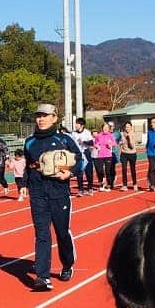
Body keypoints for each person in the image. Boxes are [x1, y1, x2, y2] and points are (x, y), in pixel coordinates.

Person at [23, 103, 81, 291]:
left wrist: (69, 173)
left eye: (45, 115)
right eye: (38, 115)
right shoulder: (29, 142)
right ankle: (42, 276)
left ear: (54, 118)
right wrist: (23, 185)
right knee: (41, 234)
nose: (41, 119)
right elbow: (28, 165)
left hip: (59, 192)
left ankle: (67, 263)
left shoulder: (64, 139)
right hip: (38, 193)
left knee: (61, 232)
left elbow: (80, 160)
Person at [70, 117, 94, 196]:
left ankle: (90, 187)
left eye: (77, 124)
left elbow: (91, 143)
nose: (76, 125)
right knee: (79, 172)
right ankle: (80, 189)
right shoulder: (73, 133)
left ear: (82, 125)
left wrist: (83, 142)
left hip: (86, 152)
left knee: (88, 172)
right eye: (75, 123)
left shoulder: (87, 132)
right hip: (78, 154)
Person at [92, 123, 117, 191]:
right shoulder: (99, 135)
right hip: (100, 155)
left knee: (107, 171)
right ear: (102, 128)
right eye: (104, 127)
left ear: (109, 129)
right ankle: (102, 183)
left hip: (108, 155)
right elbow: (95, 143)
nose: (105, 128)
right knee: (99, 170)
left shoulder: (110, 135)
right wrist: (96, 146)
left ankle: (108, 185)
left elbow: (114, 143)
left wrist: (110, 144)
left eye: (107, 127)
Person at [118, 121, 139, 191]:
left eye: (128, 127)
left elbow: (132, 146)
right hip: (124, 153)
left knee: (132, 169)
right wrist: (120, 144)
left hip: (132, 153)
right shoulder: (122, 134)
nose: (127, 128)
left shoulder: (133, 134)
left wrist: (129, 138)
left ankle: (135, 184)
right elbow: (120, 143)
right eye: (126, 127)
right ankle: (124, 185)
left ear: (131, 127)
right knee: (124, 169)